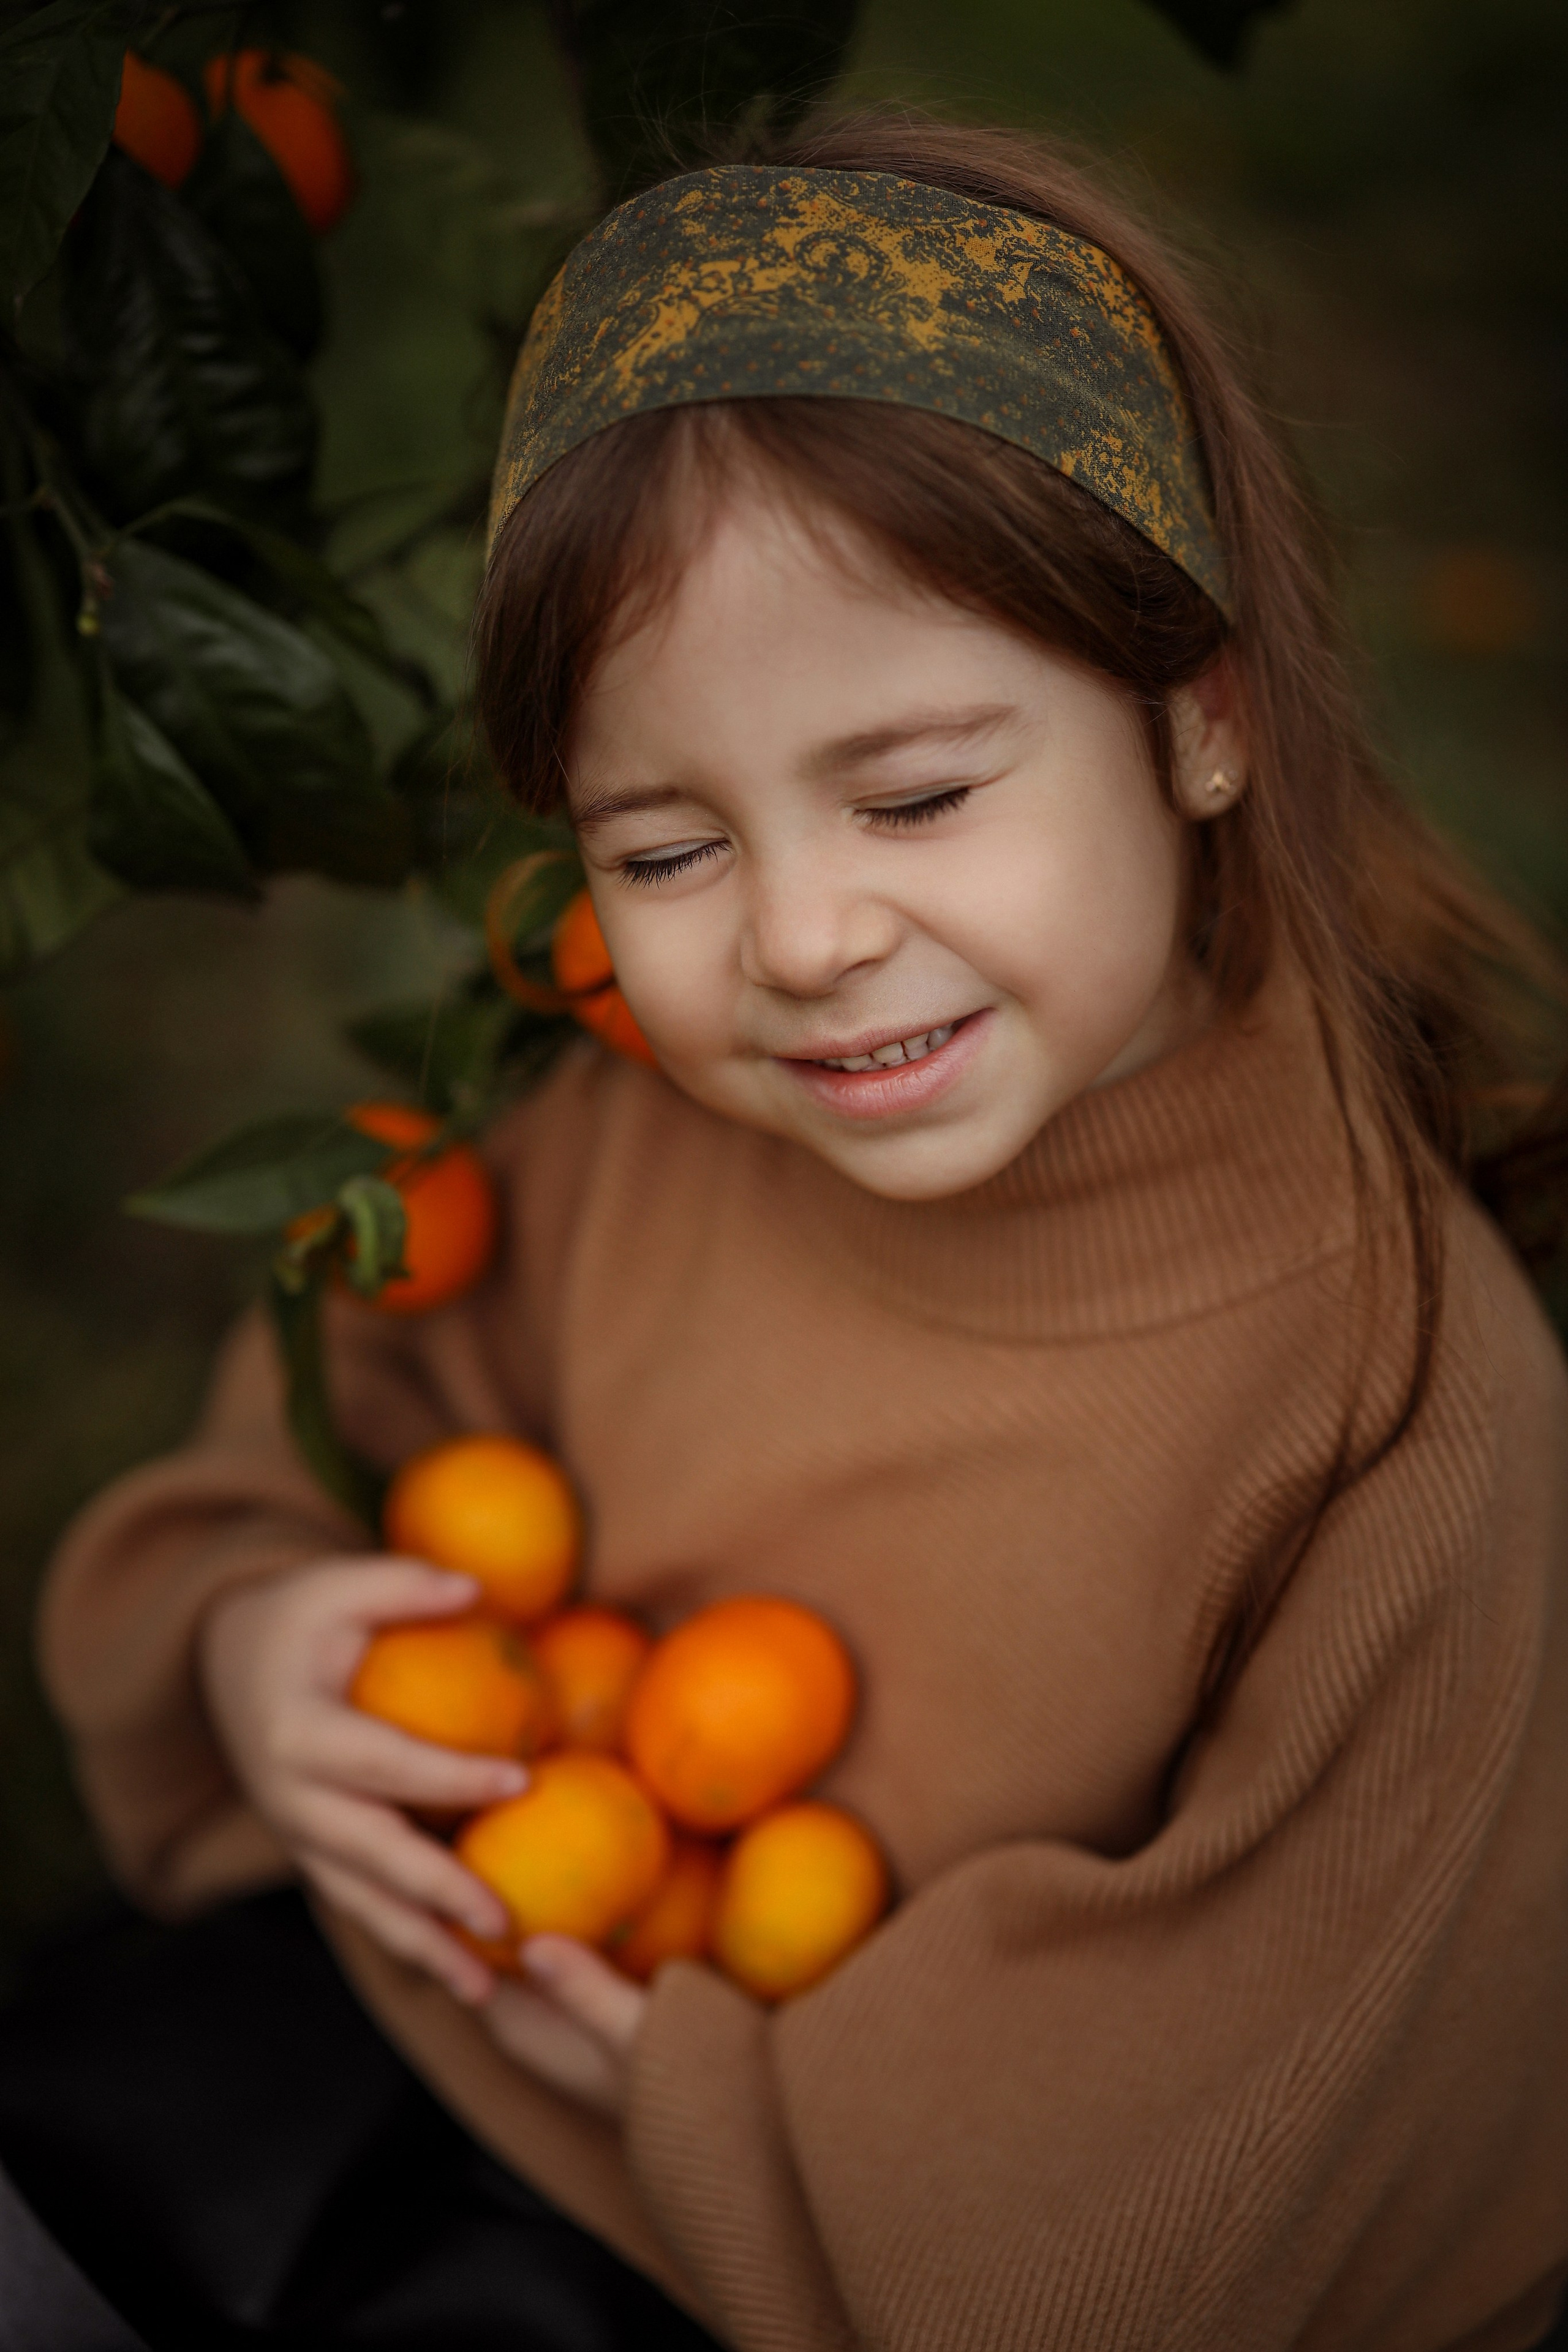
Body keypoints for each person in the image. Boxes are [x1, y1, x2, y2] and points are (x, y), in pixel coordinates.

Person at [9, 109, 1568, 2352]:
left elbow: (1261, 2146)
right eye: (663, 851)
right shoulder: (646, 1136)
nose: (806, 940)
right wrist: (250, 1638)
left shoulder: (1394, 1403)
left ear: (1201, 721)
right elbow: (359, 1402)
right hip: (400, 2019)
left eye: (916, 795)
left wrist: (704, 2094)